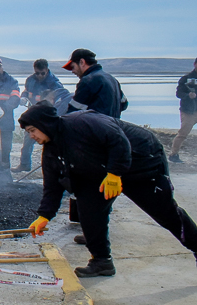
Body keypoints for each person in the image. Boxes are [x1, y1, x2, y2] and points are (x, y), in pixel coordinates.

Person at [20, 103, 197, 277]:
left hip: (141, 162)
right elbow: (52, 186)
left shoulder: (82, 122)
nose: (31, 136)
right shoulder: (51, 151)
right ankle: (101, 261)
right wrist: (44, 215)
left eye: (33, 130)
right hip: (100, 170)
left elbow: (118, 140)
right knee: (89, 210)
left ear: (45, 124)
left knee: (165, 213)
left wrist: (114, 173)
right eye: (28, 132)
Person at [14, 59, 66, 172]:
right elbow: (26, 91)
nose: (40, 76)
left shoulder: (55, 83)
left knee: (50, 145)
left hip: (47, 117)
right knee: (27, 142)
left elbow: (61, 101)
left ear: (47, 70)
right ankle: (24, 165)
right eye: (37, 73)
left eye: (42, 73)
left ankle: (54, 168)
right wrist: (24, 97)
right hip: (33, 115)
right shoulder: (30, 80)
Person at [63, 48, 128, 118]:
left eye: (73, 67)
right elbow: (124, 104)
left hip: (96, 128)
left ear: (82, 62)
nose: (72, 71)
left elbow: (73, 113)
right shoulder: (112, 79)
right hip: (114, 126)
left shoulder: (88, 81)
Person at [169, 57, 197, 163]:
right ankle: (173, 154)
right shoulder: (186, 79)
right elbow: (178, 93)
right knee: (183, 134)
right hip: (188, 111)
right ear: (195, 64)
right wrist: (188, 95)